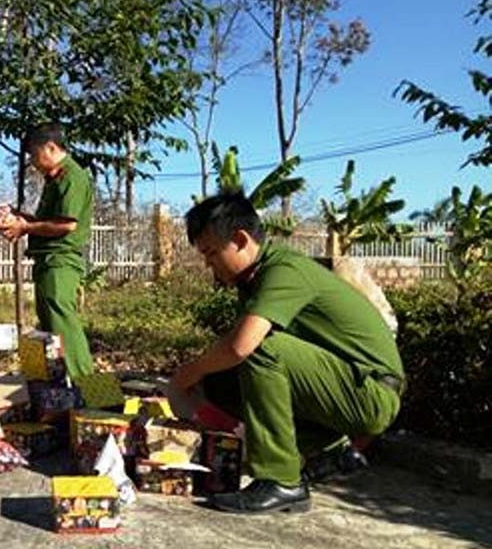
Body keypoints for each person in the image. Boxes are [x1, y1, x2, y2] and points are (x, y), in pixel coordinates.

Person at [168, 192, 404, 514]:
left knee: (259, 348)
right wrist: (201, 375)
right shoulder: (252, 280)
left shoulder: (284, 270)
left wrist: (189, 372)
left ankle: (280, 479)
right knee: (221, 381)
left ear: (239, 239)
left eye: (211, 253)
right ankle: (325, 453)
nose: (208, 263)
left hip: (370, 392)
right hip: (343, 388)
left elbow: (242, 345)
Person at [0, 123, 95, 378]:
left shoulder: (73, 176)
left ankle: (95, 394)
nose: (31, 161)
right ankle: (59, 392)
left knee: (64, 326)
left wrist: (25, 226)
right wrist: (18, 218)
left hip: (61, 261)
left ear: (50, 148)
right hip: (48, 261)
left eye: (33, 153)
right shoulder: (56, 179)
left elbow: (66, 224)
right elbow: (50, 220)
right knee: (51, 326)